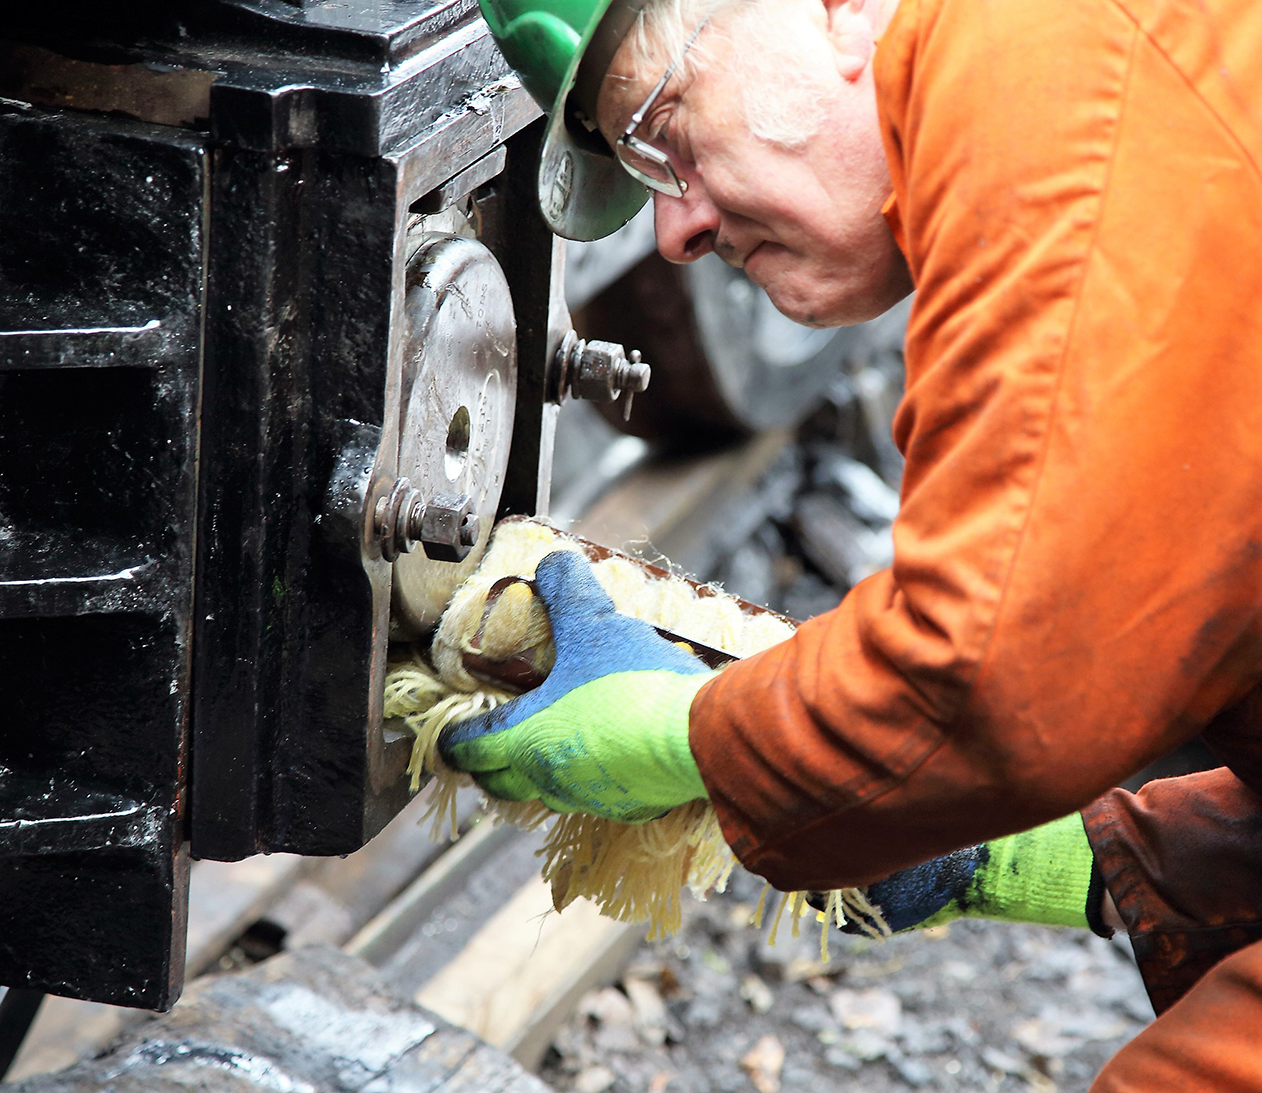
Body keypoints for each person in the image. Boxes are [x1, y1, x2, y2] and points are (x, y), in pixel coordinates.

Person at [438, 0, 1262, 1086]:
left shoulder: (1054, 73)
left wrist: (688, 734)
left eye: (664, 134)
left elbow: (991, 675)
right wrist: (1063, 860)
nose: (673, 232)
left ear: (841, 12)